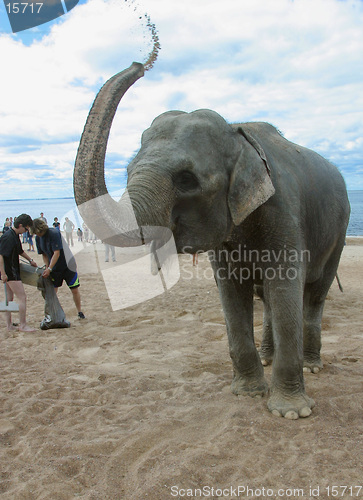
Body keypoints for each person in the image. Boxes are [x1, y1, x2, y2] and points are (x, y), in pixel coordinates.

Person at [32, 218, 85, 320]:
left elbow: (57, 253)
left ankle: (79, 311)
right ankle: (52, 313)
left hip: (68, 265)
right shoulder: (38, 238)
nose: (37, 235)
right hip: (54, 268)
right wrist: (47, 267)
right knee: (52, 292)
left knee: (74, 289)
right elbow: (44, 254)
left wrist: (50, 268)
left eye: (38, 232)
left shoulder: (54, 233)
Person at [0, 213, 38, 332]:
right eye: (26, 228)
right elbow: (0, 256)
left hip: (11, 270)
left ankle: (9, 325)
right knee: (22, 297)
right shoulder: (8, 237)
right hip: (10, 272)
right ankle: (22, 325)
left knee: (9, 298)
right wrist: (3, 274)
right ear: (20, 225)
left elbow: (20, 251)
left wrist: (30, 260)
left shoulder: (15, 235)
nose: (26, 231)